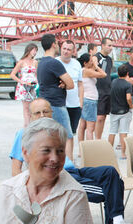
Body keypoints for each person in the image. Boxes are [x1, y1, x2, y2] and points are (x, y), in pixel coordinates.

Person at [9, 98, 133, 224]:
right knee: (107, 192)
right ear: (30, 116)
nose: (43, 115)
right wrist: (31, 193)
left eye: (46, 111)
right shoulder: (24, 135)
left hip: (74, 171)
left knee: (110, 172)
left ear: (52, 113)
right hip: (59, 177)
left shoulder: (56, 131)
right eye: (38, 113)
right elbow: (16, 169)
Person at [37, 33, 75, 161]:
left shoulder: (40, 62)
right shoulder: (54, 63)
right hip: (56, 104)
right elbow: (71, 84)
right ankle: (69, 165)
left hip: (45, 102)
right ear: (53, 44)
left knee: (50, 136)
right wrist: (64, 83)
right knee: (68, 136)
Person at [57, 40, 84, 142]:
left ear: (73, 52)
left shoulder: (77, 64)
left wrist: (81, 102)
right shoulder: (55, 62)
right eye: (64, 48)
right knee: (59, 135)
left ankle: (69, 157)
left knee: (70, 135)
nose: (66, 51)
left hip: (75, 105)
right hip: (60, 105)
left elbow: (80, 84)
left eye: (69, 49)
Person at [77, 53, 107, 143]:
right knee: (90, 127)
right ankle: (90, 149)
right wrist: (96, 66)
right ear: (85, 63)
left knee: (82, 125)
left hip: (85, 99)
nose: (92, 62)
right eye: (90, 61)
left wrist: (93, 65)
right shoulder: (86, 71)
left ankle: (82, 149)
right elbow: (103, 74)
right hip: (90, 100)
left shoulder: (83, 70)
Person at [109, 64, 133, 157]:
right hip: (125, 111)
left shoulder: (114, 82)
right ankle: (123, 154)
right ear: (127, 73)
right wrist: (131, 106)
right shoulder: (128, 84)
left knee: (112, 132)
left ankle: (109, 152)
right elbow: (128, 98)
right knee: (123, 132)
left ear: (118, 73)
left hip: (114, 110)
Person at [10, 43, 38, 127]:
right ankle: (26, 125)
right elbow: (12, 74)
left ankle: (32, 124)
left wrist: (37, 82)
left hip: (33, 85)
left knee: (32, 106)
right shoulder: (21, 62)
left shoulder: (35, 62)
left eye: (36, 50)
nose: (35, 52)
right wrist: (21, 82)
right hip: (24, 86)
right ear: (29, 50)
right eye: (34, 50)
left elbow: (36, 74)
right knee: (26, 107)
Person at [95, 37, 114, 140]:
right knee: (99, 117)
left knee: (104, 116)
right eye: (109, 45)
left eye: (112, 46)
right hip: (98, 91)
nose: (111, 48)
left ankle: (99, 138)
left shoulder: (110, 60)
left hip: (108, 91)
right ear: (102, 45)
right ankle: (97, 139)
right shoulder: (96, 57)